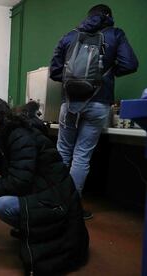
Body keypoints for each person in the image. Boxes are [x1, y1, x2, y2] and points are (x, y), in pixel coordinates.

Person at [0, 96, 89, 275]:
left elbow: (18, 181)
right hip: (42, 187)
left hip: (55, 200)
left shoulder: (20, 135)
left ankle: (36, 227)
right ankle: (28, 225)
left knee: (2, 204)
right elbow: (10, 171)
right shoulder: (10, 132)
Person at [49, 4, 138, 219]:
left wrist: (75, 82)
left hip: (69, 103)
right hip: (99, 102)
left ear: (88, 16)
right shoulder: (115, 34)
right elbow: (130, 64)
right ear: (108, 16)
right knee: (82, 155)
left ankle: (54, 201)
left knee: (62, 153)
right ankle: (72, 206)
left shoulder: (70, 36)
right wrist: (106, 74)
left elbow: (54, 71)